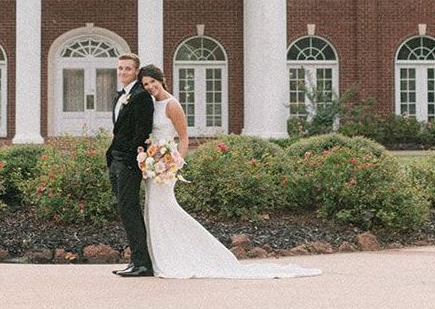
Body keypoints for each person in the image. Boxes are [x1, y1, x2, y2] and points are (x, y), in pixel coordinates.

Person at [137, 64, 321, 280]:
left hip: (167, 165)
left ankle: (202, 252)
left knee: (166, 208)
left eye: (152, 82)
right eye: (145, 84)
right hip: (152, 162)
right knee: (153, 209)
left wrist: (176, 163)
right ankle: (162, 256)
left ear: (161, 79)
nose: (150, 87)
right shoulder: (151, 105)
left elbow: (184, 138)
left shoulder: (172, 104)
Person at [106, 52, 154, 277]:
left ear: (136, 71)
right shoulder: (120, 96)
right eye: (120, 68)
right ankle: (136, 261)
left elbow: (142, 130)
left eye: (127, 68)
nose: (122, 72)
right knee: (125, 211)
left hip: (127, 163)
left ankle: (143, 263)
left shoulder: (141, 96)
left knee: (130, 210)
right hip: (115, 160)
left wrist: (130, 157)